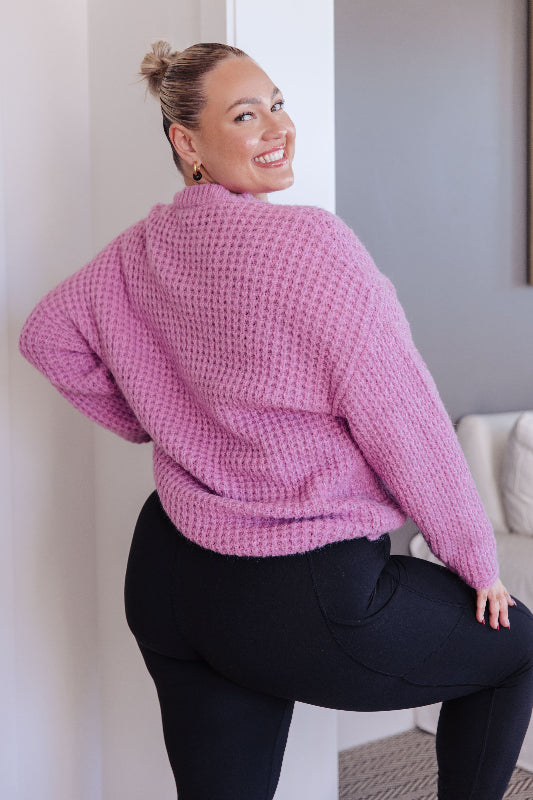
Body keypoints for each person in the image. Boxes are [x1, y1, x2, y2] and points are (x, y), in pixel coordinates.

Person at [18, 40, 533, 800]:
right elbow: (406, 422)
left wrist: (146, 419)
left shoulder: (140, 250)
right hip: (299, 591)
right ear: (185, 142)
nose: (278, 128)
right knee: (516, 650)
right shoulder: (311, 246)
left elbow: (46, 335)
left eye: (278, 104)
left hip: (170, 575)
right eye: (246, 114)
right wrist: (473, 560)